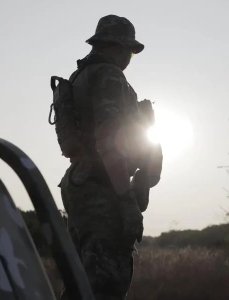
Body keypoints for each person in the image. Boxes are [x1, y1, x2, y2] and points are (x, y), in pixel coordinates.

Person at [58, 14, 162, 300]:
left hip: (81, 183)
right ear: (118, 46)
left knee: (82, 285)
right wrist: (126, 199)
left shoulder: (80, 76)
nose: (130, 58)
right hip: (103, 188)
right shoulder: (109, 76)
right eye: (130, 51)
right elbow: (110, 143)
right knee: (106, 285)